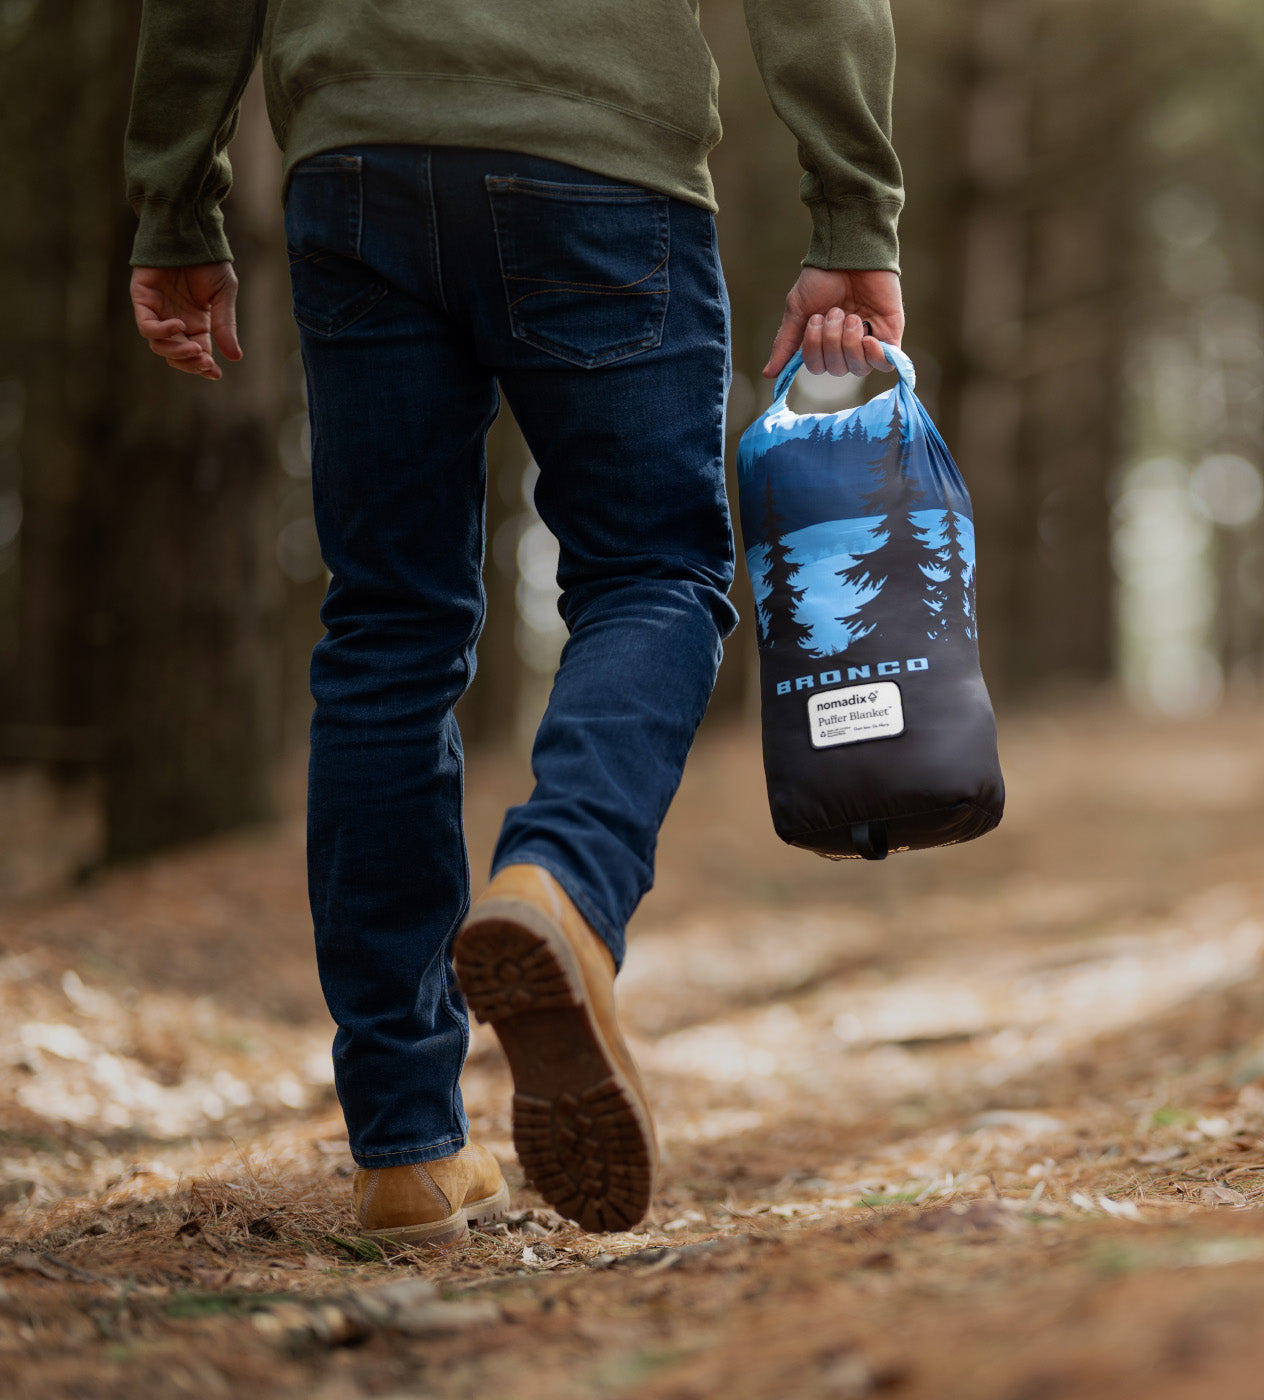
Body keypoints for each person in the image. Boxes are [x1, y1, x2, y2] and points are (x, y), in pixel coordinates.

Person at [126, 0, 905, 1240]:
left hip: (356, 156)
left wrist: (176, 199)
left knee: (386, 627)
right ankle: (560, 883)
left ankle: (404, 1149)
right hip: (600, 155)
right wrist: (851, 212)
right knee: (653, 572)